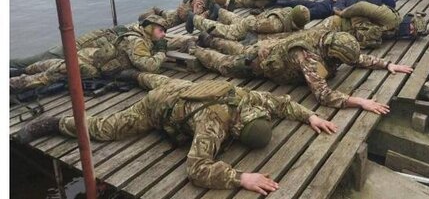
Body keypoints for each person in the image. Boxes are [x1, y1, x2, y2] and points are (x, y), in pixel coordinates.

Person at [16, 72, 337, 195]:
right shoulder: (216, 120)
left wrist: (309, 116)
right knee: (106, 128)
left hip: (184, 87)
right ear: (237, 129)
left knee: (159, 79)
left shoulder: (248, 99)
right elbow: (196, 168)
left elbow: (280, 103)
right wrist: (240, 178)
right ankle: (55, 123)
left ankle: (137, 74)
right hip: (159, 106)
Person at [189, 29, 413, 110]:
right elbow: (323, 95)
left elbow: (358, 58)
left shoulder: (329, 40)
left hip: (270, 49)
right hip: (261, 63)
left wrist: (387, 64)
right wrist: (361, 102)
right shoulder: (308, 57)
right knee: (226, 64)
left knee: (240, 47)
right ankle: (195, 47)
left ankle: (210, 38)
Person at [9, 15, 170, 93]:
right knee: (44, 77)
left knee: (43, 66)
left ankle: (18, 72)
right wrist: (161, 52)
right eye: (160, 30)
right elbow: (149, 66)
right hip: (87, 64)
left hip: (87, 56)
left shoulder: (136, 34)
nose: (163, 34)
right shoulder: (138, 41)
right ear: (149, 28)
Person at [322, 1, 428, 48]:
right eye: (411, 27)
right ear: (409, 20)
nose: (409, 32)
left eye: (412, 33)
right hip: (336, 25)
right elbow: (361, 6)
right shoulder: (390, 18)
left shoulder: (395, 30)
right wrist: (342, 13)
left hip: (343, 36)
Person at [186, 5, 310, 41]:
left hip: (259, 22)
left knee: (237, 20)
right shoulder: (275, 25)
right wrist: (251, 19)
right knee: (228, 31)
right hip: (254, 24)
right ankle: (194, 19)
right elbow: (254, 25)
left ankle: (219, 11)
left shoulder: (289, 13)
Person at [273, 0, 396, 20]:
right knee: (306, 14)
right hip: (331, 7)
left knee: (307, 4)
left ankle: (280, 3)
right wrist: (339, 0)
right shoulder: (367, 5)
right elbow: (339, 8)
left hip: (332, 1)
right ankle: (280, 13)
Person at [138, 0, 228, 29]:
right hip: (178, 18)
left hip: (178, 12)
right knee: (164, 24)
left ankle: (157, 10)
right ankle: (148, 15)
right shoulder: (200, 2)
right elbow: (195, 17)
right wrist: (202, 12)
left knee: (164, 13)